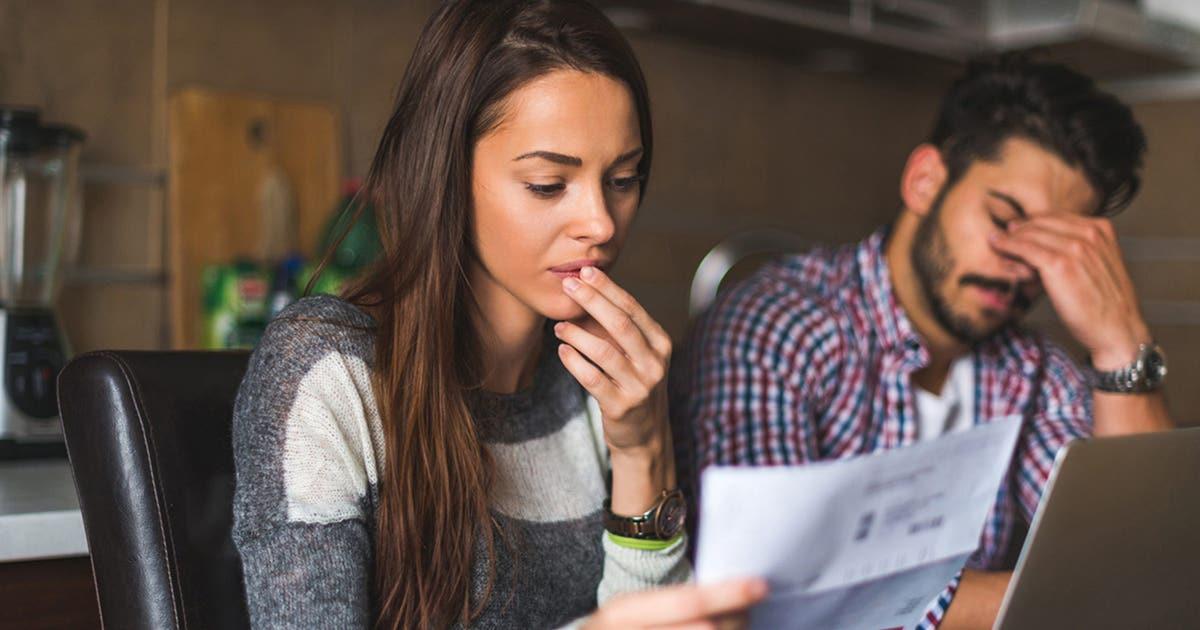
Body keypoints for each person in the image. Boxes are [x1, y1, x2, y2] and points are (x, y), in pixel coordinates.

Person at [231, 1, 767, 628]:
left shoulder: (604, 384)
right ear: (448, 174)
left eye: (623, 179)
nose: (600, 223)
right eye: (547, 184)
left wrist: (642, 450)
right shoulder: (331, 373)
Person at [674, 55, 1174, 630]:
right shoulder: (775, 325)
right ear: (925, 181)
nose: (1022, 267)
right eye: (1006, 220)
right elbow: (770, 595)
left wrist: (1120, 342)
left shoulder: (1038, 372)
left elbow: (1145, 566)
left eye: (1056, 245)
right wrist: (1066, 595)